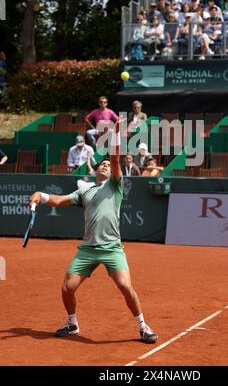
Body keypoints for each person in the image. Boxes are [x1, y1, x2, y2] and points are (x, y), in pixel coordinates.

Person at [29, 122, 158, 343]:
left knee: (126, 286)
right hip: (87, 249)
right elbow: (58, 200)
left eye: (109, 164)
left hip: (112, 248)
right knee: (67, 288)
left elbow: (116, 159)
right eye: (103, 164)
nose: (107, 166)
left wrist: (116, 136)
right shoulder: (84, 191)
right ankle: (72, 324)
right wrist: (40, 195)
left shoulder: (115, 185)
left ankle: (143, 326)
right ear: (97, 169)